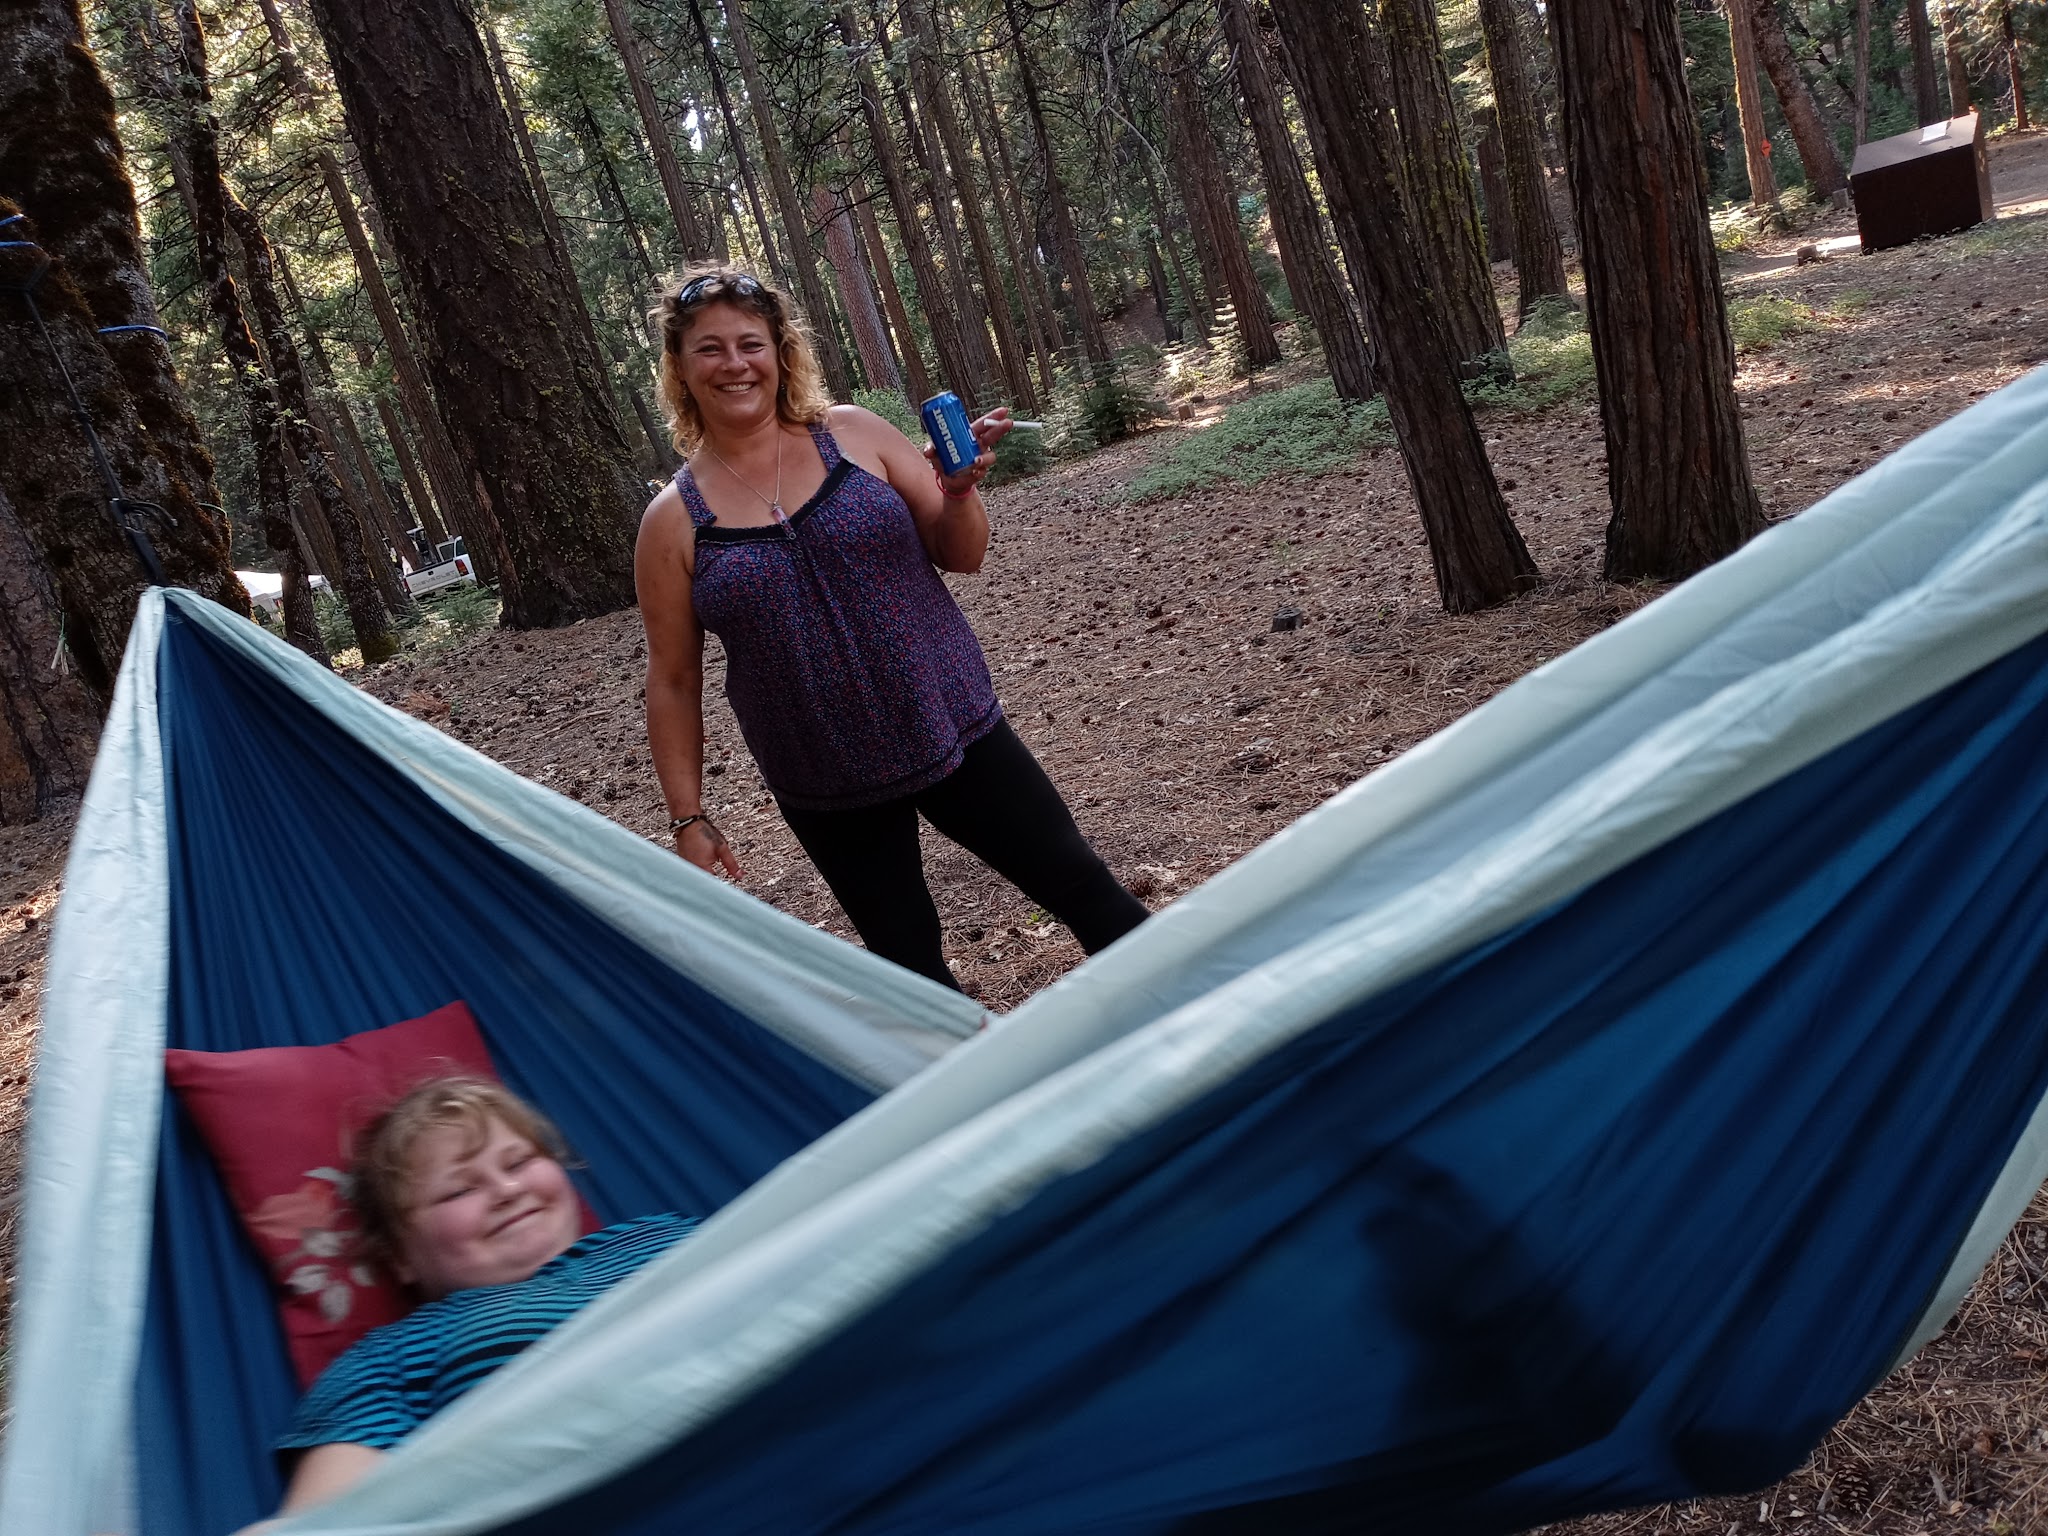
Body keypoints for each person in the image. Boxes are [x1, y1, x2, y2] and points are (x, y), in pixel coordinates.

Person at [636, 266, 1149, 988]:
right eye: (709, 349)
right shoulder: (671, 522)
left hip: (954, 725)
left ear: (781, 352)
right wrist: (688, 818)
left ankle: (1222, 1048)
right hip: (823, 777)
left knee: (1086, 891)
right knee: (911, 972)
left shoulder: (854, 435)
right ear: (680, 368)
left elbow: (960, 552)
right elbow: (673, 677)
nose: (734, 364)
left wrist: (960, 492)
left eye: (750, 343)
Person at [240, 1078, 698, 1529]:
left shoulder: (659, 1236)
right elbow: (323, 1520)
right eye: (460, 1190)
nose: (507, 1190)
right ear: (401, 1257)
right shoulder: (395, 1352)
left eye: (519, 1161)